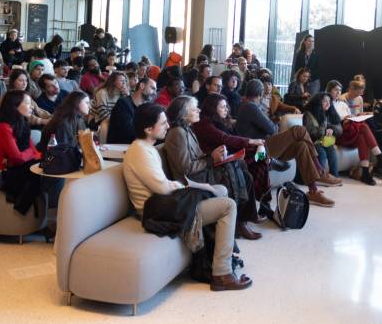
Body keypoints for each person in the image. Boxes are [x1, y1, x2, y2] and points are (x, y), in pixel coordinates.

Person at [122, 103, 252, 291]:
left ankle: (215, 258)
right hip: (156, 211)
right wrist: (185, 186)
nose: (168, 126)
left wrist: (192, 186)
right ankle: (222, 274)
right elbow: (162, 188)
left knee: (220, 191)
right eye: (163, 123)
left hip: (166, 205)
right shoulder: (140, 152)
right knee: (228, 206)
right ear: (148, 129)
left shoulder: (146, 148)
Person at [164, 96, 262, 240]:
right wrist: (212, 159)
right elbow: (186, 168)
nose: (199, 110)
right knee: (236, 170)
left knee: (242, 170)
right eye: (194, 109)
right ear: (183, 114)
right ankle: (240, 223)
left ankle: (242, 220)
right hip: (192, 180)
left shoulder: (187, 129)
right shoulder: (178, 133)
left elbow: (197, 156)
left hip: (200, 172)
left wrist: (213, 155)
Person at [234, 80, 341, 196]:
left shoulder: (246, 106)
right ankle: (320, 170)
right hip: (260, 150)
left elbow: (269, 127)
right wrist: (273, 124)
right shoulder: (250, 106)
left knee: (301, 146)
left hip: (263, 147)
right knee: (299, 130)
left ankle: (313, 191)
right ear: (259, 92)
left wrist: (271, 125)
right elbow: (272, 128)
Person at [0, 90, 44, 216]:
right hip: (4, 176)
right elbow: (17, 158)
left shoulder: (23, 124)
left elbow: (34, 152)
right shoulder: (3, 127)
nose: (32, 107)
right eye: (27, 103)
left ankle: (47, 214)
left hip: (18, 168)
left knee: (46, 167)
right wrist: (31, 154)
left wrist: (43, 158)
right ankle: (21, 208)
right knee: (38, 172)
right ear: (14, 106)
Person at [303, 92, 342, 182]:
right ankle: (321, 176)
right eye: (325, 101)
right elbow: (311, 132)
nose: (328, 103)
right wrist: (323, 127)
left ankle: (334, 176)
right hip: (313, 142)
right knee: (322, 153)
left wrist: (332, 129)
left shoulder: (329, 113)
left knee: (332, 152)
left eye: (329, 101)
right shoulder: (308, 114)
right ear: (318, 102)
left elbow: (339, 128)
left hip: (325, 141)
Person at [107, 77, 155, 144]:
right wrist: (152, 133)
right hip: (120, 146)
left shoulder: (146, 107)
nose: (154, 93)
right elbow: (128, 132)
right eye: (152, 88)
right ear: (142, 86)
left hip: (138, 145)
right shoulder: (123, 103)